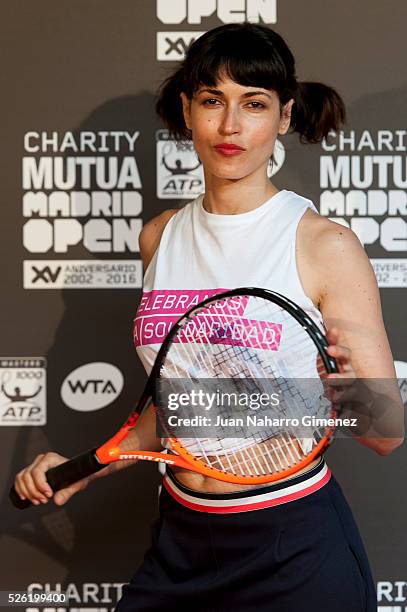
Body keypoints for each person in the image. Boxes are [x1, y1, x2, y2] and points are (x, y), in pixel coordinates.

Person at [13, 23, 403, 612]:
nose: (230, 126)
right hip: (181, 540)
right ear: (186, 110)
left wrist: (349, 392)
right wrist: (84, 469)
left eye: (254, 104)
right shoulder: (161, 237)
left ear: (285, 117)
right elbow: (174, 403)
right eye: (212, 101)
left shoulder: (325, 244)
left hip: (291, 545)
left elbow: (386, 435)